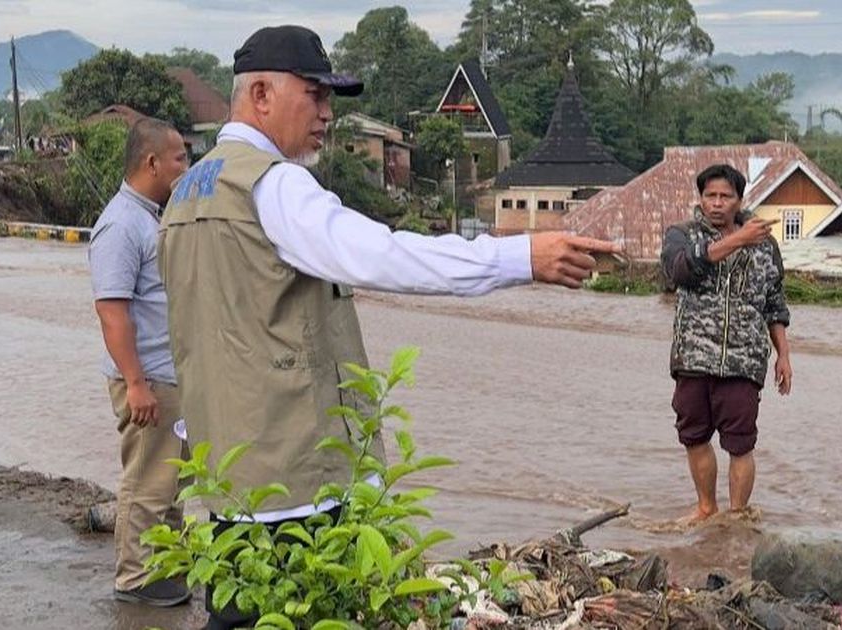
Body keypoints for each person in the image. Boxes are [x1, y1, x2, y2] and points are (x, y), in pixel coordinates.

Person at [158, 25, 619, 628]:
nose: (327, 115)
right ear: (262, 94)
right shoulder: (276, 186)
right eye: (315, 94)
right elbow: (387, 255)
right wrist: (521, 258)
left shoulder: (187, 192)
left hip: (226, 477)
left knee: (240, 613)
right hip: (296, 483)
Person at [89, 118, 192, 607]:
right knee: (147, 481)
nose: (185, 167)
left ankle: (164, 571)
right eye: (180, 158)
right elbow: (113, 311)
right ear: (152, 162)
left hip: (166, 375)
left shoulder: (151, 216)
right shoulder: (121, 224)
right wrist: (135, 383)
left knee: (169, 483)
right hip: (147, 376)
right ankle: (135, 578)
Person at [659, 163, 793, 526]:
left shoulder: (765, 246)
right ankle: (706, 507)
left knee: (741, 443)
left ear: (739, 200)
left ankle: (736, 515)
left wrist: (783, 355)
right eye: (710, 196)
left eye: (725, 196)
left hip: (743, 360)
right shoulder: (681, 235)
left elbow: (774, 302)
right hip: (694, 355)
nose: (716, 203)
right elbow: (679, 271)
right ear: (700, 199)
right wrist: (737, 240)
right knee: (694, 436)